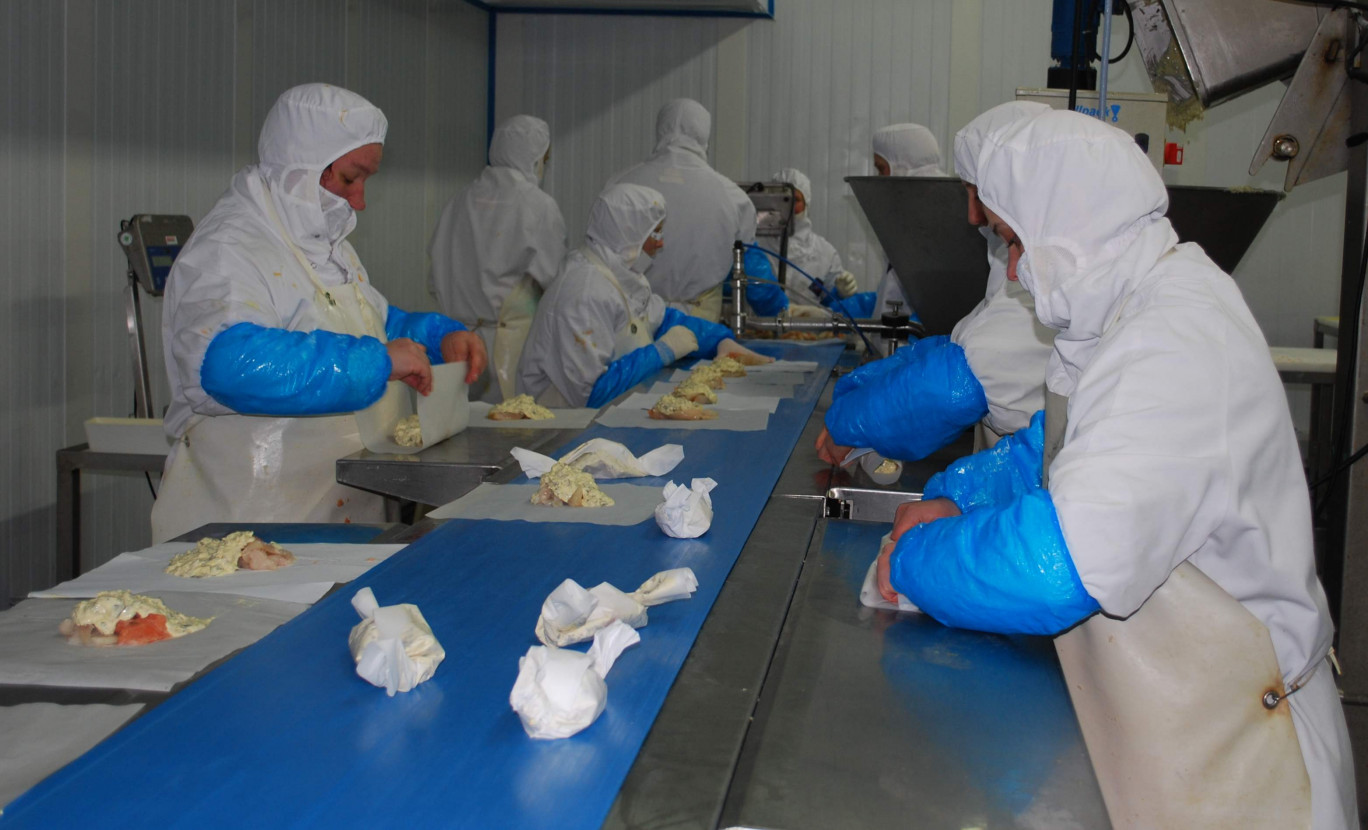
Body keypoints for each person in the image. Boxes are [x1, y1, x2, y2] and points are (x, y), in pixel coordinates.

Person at [877, 108, 1355, 828]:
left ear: (1064, 222)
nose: (1012, 268)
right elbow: (1056, 444)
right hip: (1176, 719)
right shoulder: (1126, 310)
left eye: (1012, 240)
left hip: (1245, 760)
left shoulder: (1175, 338)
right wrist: (956, 497)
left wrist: (913, 560)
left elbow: (1058, 564)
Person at [153, 84, 487, 543]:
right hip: (248, 525)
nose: (360, 201)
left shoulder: (326, 247)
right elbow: (230, 366)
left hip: (340, 513)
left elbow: (367, 323)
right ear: (301, 167)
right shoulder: (230, 247)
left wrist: (434, 335)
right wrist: (378, 362)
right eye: (350, 178)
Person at [816, 102, 1055, 465]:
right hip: (1017, 461)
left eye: (980, 193)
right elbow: (963, 342)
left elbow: (966, 377)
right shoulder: (1008, 255)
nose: (973, 216)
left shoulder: (1049, 267)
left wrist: (852, 422)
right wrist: (871, 383)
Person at [518, 183, 769, 408]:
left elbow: (663, 321)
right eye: (655, 232)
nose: (660, 243)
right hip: (561, 428)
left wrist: (720, 340)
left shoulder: (622, 277)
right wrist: (662, 352)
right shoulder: (584, 291)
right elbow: (589, 394)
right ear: (628, 233)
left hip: (610, 415)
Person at [428, 115, 567, 402]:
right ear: (534, 158)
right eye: (545, 158)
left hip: (455, 344)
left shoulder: (458, 201)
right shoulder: (538, 206)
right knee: (512, 429)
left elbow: (434, 279)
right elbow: (555, 288)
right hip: (512, 350)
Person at [609, 98, 787, 321]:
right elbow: (755, 279)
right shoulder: (732, 197)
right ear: (704, 135)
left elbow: (601, 259)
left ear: (660, 129)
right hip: (698, 328)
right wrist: (782, 313)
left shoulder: (619, 184)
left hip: (629, 324)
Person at [764, 167, 856, 317]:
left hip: (808, 336)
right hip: (759, 334)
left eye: (797, 200)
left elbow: (834, 308)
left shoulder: (825, 253)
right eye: (784, 199)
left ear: (807, 204)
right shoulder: (756, 246)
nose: (789, 206)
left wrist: (841, 294)